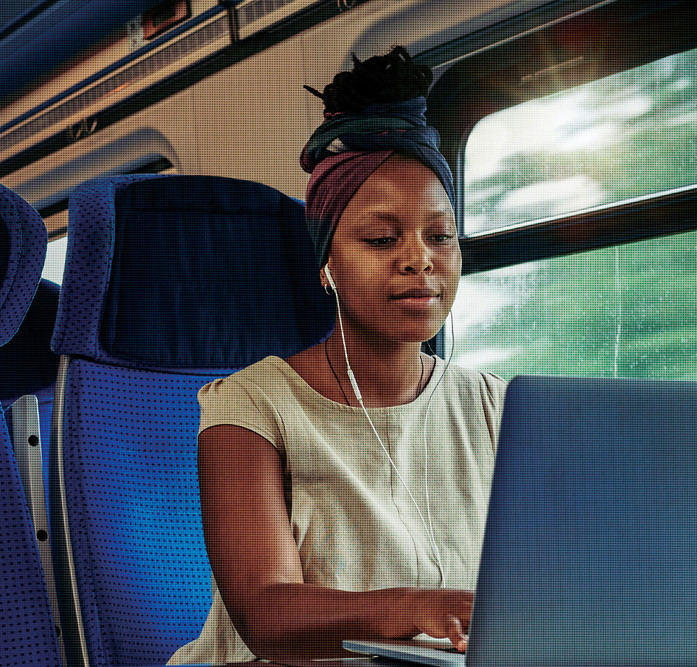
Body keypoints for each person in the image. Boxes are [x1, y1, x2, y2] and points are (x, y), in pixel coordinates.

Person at [169, 46, 507, 665]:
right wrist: (421, 607)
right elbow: (266, 616)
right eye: (382, 238)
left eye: (440, 236)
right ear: (327, 264)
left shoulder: (494, 404)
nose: (420, 259)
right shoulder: (250, 404)